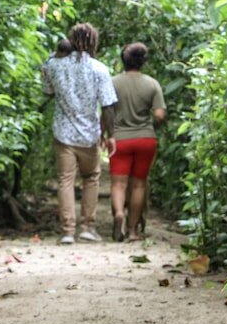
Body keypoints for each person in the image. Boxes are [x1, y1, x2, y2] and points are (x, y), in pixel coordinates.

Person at [41, 23, 117, 244]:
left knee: (65, 181)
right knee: (91, 178)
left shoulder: (54, 65)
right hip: (89, 134)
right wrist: (110, 134)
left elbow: (47, 90)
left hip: (63, 133)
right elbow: (108, 105)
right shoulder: (99, 69)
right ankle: (87, 226)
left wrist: (55, 55)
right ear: (93, 41)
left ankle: (67, 231)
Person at [109, 42, 166, 242]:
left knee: (118, 183)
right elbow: (159, 114)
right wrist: (149, 125)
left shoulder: (113, 82)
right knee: (139, 185)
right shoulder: (152, 84)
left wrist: (105, 133)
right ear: (143, 61)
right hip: (145, 139)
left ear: (123, 60)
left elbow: (106, 111)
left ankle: (118, 214)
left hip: (120, 139)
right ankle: (133, 231)